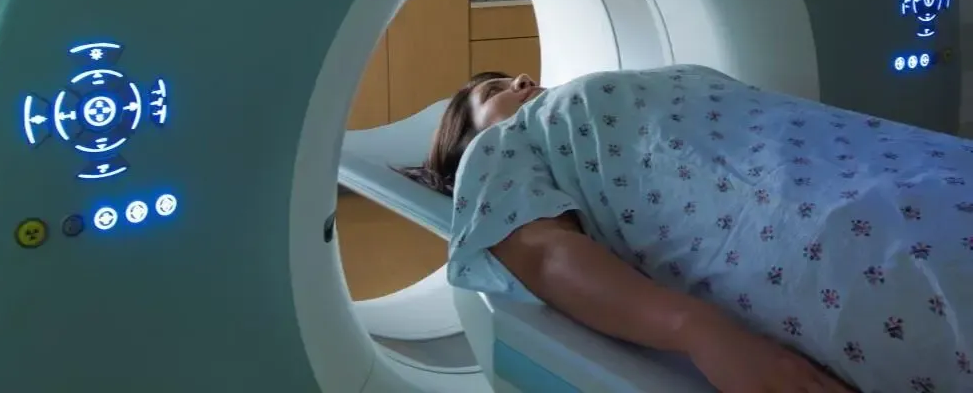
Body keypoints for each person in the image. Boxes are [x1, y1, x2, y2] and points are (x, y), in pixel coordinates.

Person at [399, 67, 973, 393]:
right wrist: (703, 333)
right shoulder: (502, 148)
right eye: (493, 90)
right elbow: (545, 255)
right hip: (829, 223)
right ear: (469, 141)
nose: (522, 77)